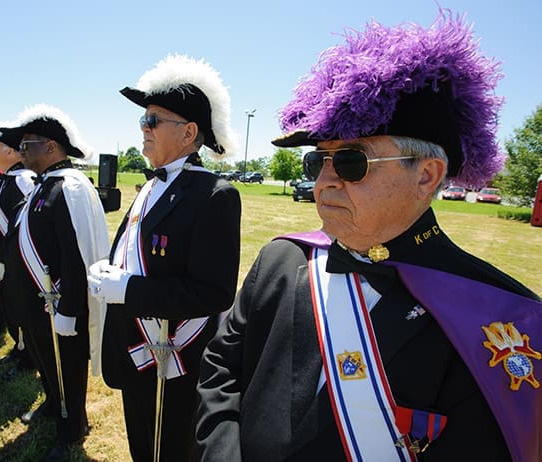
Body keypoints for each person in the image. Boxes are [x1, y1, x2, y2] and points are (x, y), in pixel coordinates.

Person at [196, 12, 542, 462]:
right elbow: (222, 369)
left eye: (352, 161)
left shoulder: (499, 322)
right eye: (318, 160)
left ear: (427, 176)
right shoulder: (281, 262)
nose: (323, 182)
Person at [88, 54, 242, 462]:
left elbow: (214, 293)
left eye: (153, 120)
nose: (143, 128)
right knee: (143, 443)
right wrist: (110, 271)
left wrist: (130, 289)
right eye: (143, 120)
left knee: (170, 449)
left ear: (189, 132)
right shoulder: (148, 185)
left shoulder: (214, 195)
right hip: (136, 346)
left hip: (175, 358)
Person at [1, 104, 110, 461]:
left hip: (59, 306)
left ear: (50, 146)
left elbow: (78, 255)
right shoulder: (44, 184)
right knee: (47, 364)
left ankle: (72, 427)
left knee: (65, 367)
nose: (20, 152)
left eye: (27, 144)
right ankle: (53, 402)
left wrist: (69, 310)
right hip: (35, 303)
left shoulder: (71, 187)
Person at [0, 126, 36, 375]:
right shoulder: (9, 178)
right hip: (1, 262)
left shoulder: (24, 180)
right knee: (11, 310)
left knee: (21, 311)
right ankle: (19, 348)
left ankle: (29, 356)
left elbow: (26, 226)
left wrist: (4, 259)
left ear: (13, 152)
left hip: (14, 264)